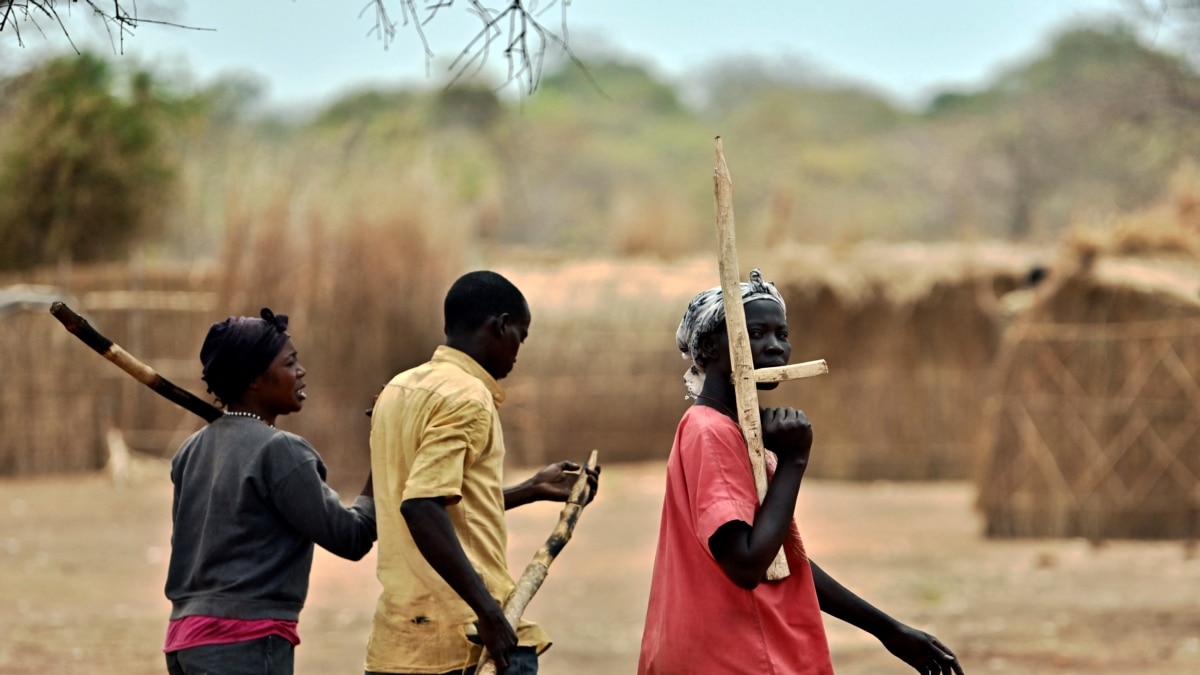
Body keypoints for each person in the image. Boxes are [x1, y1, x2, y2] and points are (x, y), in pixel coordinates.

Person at [638, 270, 964, 675]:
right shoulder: (712, 432)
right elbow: (746, 564)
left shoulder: (735, 429)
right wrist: (794, 460)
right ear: (709, 347)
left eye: (782, 334)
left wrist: (888, 630)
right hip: (734, 655)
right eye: (756, 334)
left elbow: (784, 561)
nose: (775, 347)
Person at [365, 270, 600, 675]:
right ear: (500, 325)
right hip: (464, 642)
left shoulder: (397, 390)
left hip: (398, 645)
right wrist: (489, 612)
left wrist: (531, 489)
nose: (517, 352)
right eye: (519, 337)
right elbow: (420, 506)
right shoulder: (469, 397)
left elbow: (438, 503)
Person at [164, 308, 377, 675]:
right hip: (243, 641)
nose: (301, 371)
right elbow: (352, 536)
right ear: (254, 381)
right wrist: (384, 447)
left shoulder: (191, 451)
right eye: (290, 362)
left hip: (185, 641)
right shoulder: (280, 451)